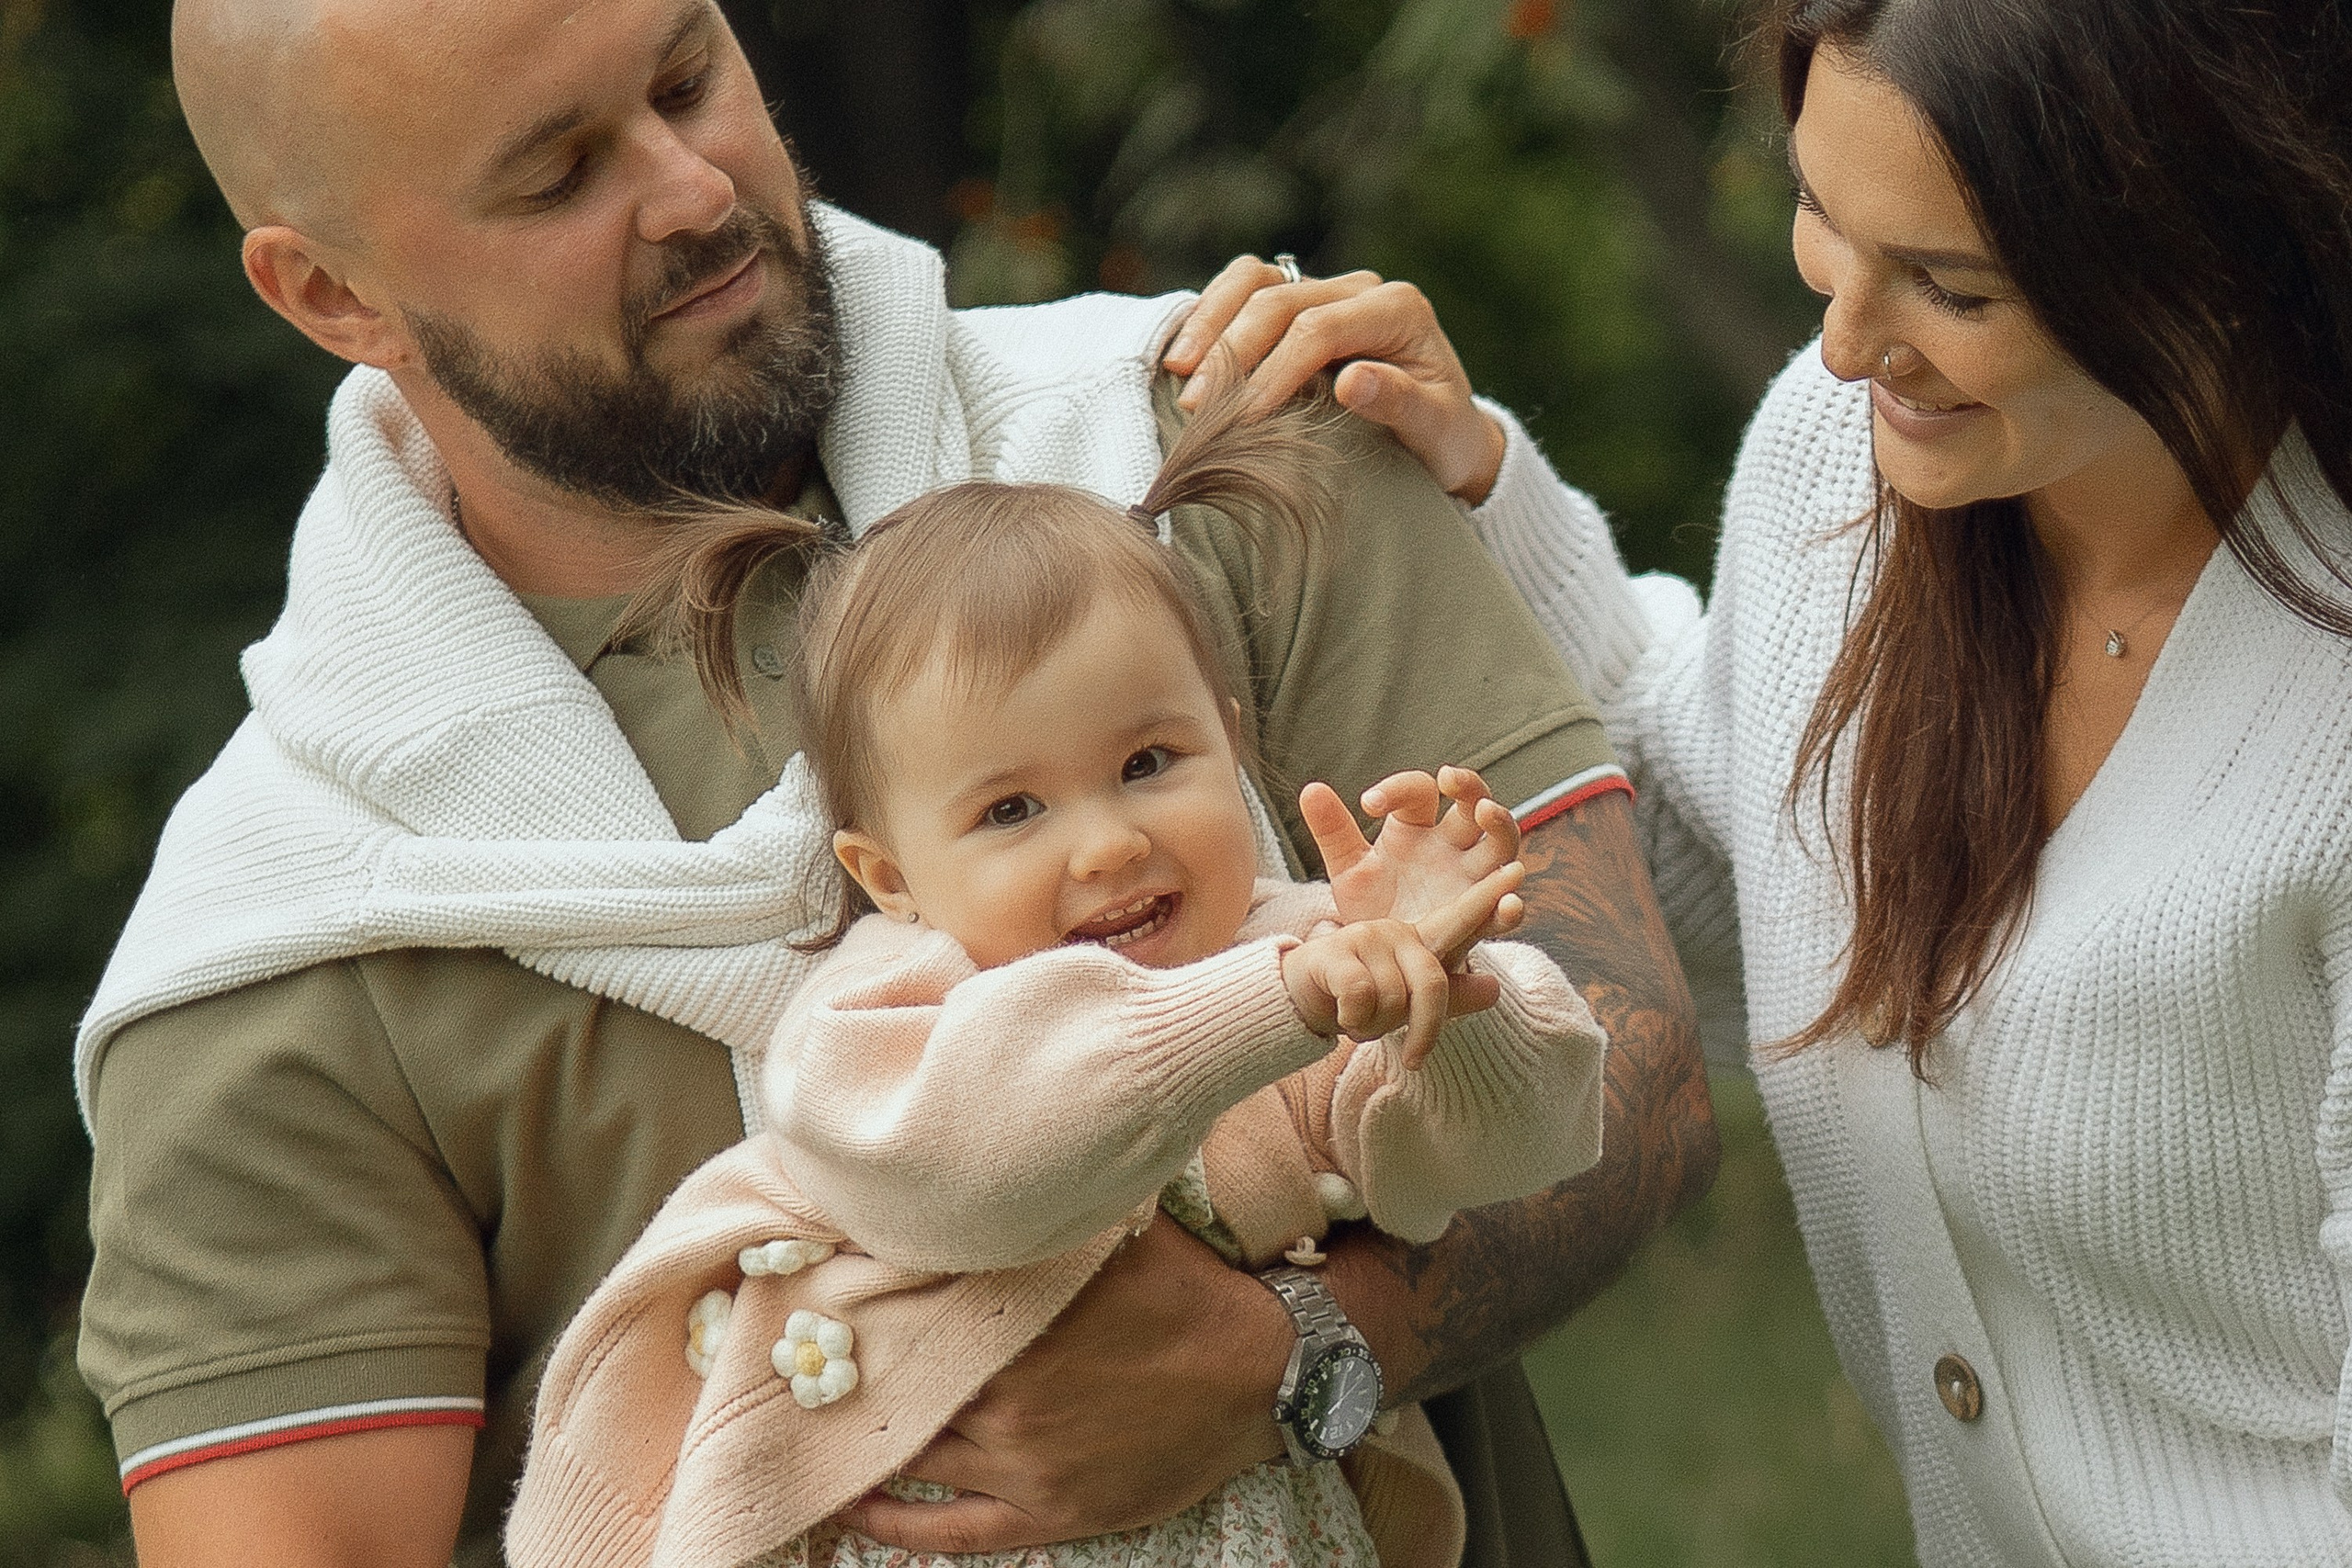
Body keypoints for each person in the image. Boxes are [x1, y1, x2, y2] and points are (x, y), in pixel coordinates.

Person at [79, 1, 1714, 1562]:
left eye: (687, 76)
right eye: (560, 173)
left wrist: (1293, 1353)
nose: (693, 189)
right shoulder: (283, 945)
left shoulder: (1214, 441)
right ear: (332, 295)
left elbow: (1628, 1059)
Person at [1200, 0, 2352, 1560]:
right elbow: (1730, 847)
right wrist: (1465, 482)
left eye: (1951, 286)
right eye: (1821, 214)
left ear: (2219, 243)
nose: (1845, 342)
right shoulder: (1843, 453)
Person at [503, 389, 1608, 1568]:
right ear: (890, 876)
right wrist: (1286, 998)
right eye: (1011, 810)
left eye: (1148, 762)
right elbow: (987, 1159)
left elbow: (1515, 1150)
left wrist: (1442, 993)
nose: (1108, 846)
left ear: (1230, 747)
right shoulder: (887, 1018)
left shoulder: (1302, 957)